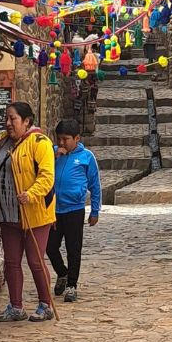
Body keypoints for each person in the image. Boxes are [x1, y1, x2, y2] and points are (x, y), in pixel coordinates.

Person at [0, 101, 56, 322]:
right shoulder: (2, 143)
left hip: (34, 212)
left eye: (13, 119)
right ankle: (15, 306)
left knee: (36, 260)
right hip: (8, 212)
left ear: (26, 121)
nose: (8, 123)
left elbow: (46, 176)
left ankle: (45, 304)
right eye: (7, 118)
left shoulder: (40, 142)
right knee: (11, 261)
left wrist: (31, 193)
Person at [46, 118, 101, 303]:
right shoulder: (52, 154)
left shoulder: (86, 157)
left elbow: (95, 185)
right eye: (59, 139)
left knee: (73, 248)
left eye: (65, 139)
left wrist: (95, 211)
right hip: (53, 210)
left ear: (76, 138)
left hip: (75, 210)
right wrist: (54, 157)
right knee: (50, 247)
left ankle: (71, 285)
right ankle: (62, 272)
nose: (61, 143)